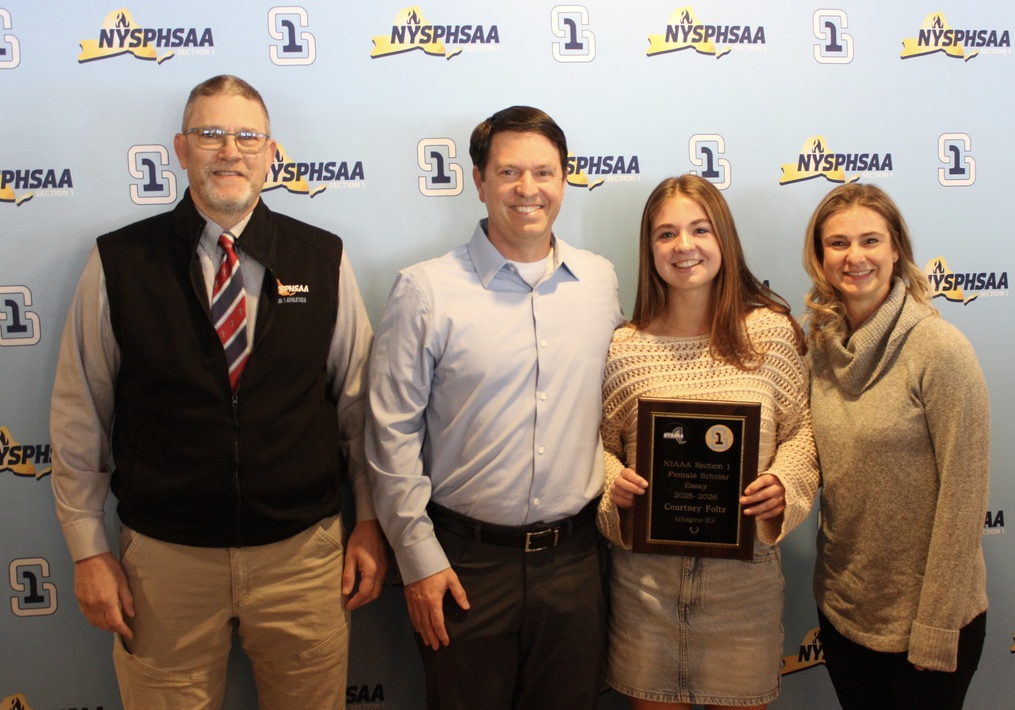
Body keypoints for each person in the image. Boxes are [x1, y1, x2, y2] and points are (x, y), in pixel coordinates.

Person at [50, 74, 387, 709]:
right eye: (210, 134)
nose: (229, 150)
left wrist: (369, 518)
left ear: (270, 153)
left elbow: (358, 411)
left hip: (302, 561)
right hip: (164, 566)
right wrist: (86, 551)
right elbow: (79, 417)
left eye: (247, 136)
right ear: (181, 150)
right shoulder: (119, 263)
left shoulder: (322, 259)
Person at [366, 105, 623, 709]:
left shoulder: (602, 281)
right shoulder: (424, 290)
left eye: (544, 172)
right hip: (462, 567)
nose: (527, 189)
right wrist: (419, 560)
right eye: (508, 173)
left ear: (565, 180)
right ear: (478, 181)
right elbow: (390, 436)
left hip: (576, 564)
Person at [597, 175, 819, 710]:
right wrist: (612, 481)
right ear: (649, 249)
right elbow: (599, 446)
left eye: (700, 229)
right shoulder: (625, 347)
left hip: (742, 591)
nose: (684, 246)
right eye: (665, 234)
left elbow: (803, 433)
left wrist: (784, 482)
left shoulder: (771, 333)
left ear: (724, 239)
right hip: (645, 589)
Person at [803, 183, 989, 709]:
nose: (855, 257)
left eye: (870, 240)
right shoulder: (819, 347)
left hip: (927, 625)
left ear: (896, 250)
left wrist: (936, 625)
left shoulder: (940, 350)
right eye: (837, 243)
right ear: (819, 258)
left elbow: (965, 498)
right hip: (844, 614)